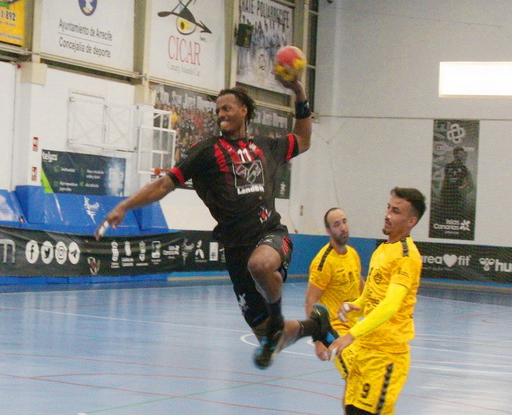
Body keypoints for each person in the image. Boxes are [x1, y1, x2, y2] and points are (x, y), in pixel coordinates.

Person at [95, 73, 335, 370]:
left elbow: (303, 138)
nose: (221, 114)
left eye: (227, 108)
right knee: (268, 336)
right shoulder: (206, 151)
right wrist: (125, 205)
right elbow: (164, 184)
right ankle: (316, 326)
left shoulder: (266, 147)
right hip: (235, 248)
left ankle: (276, 318)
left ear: (244, 110)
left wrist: (298, 91)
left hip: (270, 235)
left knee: (261, 266)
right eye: (218, 110)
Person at [327, 187, 426, 415]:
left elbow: (390, 305)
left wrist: (350, 335)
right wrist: (357, 305)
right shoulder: (382, 249)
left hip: (386, 356)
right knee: (351, 409)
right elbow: (373, 294)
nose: (387, 215)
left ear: (411, 221)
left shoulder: (406, 256)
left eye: (396, 211)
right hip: (365, 351)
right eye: (388, 208)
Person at [305, 207, 364, 361]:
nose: (343, 228)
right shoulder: (324, 262)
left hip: (354, 327)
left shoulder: (353, 254)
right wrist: (319, 339)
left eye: (344, 222)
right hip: (335, 330)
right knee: (356, 367)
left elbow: (360, 284)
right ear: (328, 231)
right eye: (337, 224)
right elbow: (310, 301)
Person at [439, 146, 473, 217]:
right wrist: (443, 189)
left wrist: (463, 187)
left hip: (457, 193)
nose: (461, 156)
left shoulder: (464, 168)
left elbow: (469, 181)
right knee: (445, 212)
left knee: (456, 212)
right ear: (455, 154)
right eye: (460, 154)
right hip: (447, 192)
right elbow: (445, 178)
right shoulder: (448, 166)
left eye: (462, 154)